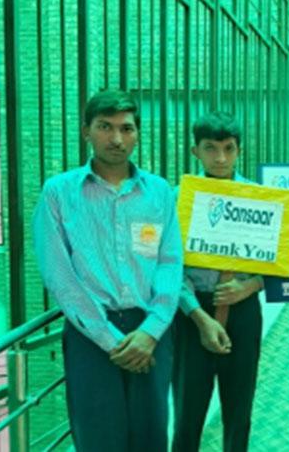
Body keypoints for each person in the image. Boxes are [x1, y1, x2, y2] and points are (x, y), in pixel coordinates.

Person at [33, 89, 183, 451]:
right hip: (90, 335)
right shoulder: (59, 193)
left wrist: (151, 331)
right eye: (105, 127)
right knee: (99, 439)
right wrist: (111, 340)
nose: (117, 138)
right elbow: (59, 276)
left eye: (126, 128)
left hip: (151, 333)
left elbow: (169, 263)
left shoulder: (159, 192)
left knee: (151, 437)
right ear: (86, 130)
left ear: (137, 134)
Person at [171, 111, 265, 451]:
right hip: (192, 312)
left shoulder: (261, 199)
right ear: (195, 151)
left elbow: (280, 264)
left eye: (229, 148)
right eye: (210, 148)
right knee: (187, 411)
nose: (221, 158)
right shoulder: (178, 199)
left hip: (243, 308)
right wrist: (197, 315)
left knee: (239, 410)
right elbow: (168, 267)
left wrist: (249, 287)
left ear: (240, 150)